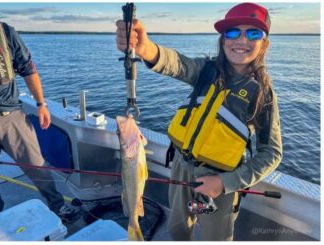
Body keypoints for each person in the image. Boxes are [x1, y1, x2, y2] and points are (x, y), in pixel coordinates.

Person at [115, 2, 282, 240]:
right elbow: (177, 64)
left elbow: (272, 153)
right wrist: (145, 48)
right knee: (178, 228)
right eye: (232, 32)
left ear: (264, 43)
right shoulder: (206, 70)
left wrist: (226, 183)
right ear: (223, 39)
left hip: (220, 184)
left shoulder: (263, 94)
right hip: (181, 170)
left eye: (253, 33)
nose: (241, 40)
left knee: (215, 235)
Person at [0, 14, 78, 219]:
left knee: (37, 164)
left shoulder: (4, 31)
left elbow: (28, 68)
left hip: (11, 114)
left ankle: (58, 205)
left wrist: (41, 104)